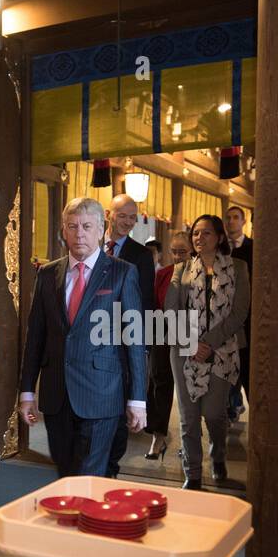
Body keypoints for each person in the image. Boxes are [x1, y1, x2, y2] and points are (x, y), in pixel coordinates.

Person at [19, 197, 148, 477]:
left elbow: (135, 340)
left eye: (87, 226)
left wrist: (138, 399)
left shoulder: (122, 273)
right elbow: (35, 337)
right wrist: (27, 390)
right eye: (72, 226)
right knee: (65, 473)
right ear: (63, 231)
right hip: (56, 395)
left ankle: (92, 521)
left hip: (102, 393)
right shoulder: (47, 274)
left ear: (101, 229)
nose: (79, 233)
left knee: (90, 476)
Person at [165, 215, 249, 490]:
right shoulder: (182, 269)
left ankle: (218, 454)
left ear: (220, 237)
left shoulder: (238, 267)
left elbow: (240, 312)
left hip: (223, 351)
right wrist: (192, 343)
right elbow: (171, 310)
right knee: (188, 416)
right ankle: (193, 473)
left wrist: (209, 342)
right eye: (196, 234)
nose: (199, 238)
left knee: (214, 413)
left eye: (206, 233)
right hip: (184, 350)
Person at [103, 193, 155, 477]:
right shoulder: (93, 244)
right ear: (108, 215)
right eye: (122, 216)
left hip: (122, 343)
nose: (127, 222)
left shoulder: (141, 255)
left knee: (120, 404)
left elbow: (144, 302)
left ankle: (110, 467)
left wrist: (141, 347)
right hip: (91, 341)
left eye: (132, 218)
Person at [145, 229, 193, 460]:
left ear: (192, 250)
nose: (177, 257)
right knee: (158, 382)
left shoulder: (200, 274)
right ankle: (158, 436)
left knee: (188, 388)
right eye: (173, 252)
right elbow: (154, 305)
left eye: (182, 252)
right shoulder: (163, 274)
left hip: (190, 334)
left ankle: (189, 440)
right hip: (162, 333)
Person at [224, 205, 253, 423]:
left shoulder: (255, 247)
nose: (232, 221)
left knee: (249, 369)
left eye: (236, 218)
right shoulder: (220, 248)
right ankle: (230, 411)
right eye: (228, 218)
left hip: (249, 319)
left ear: (244, 221)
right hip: (223, 320)